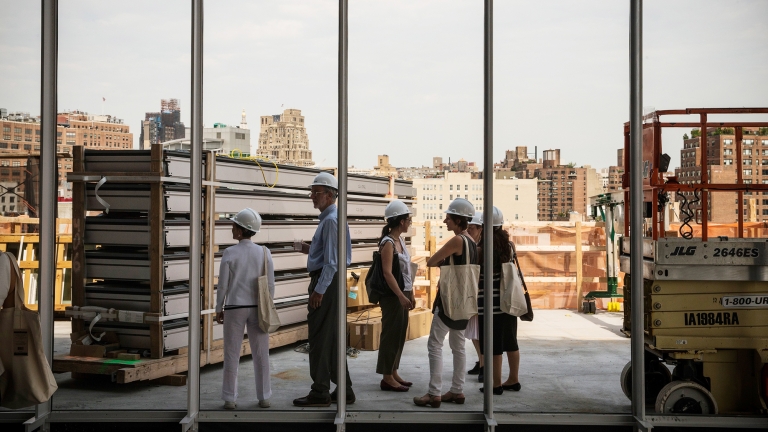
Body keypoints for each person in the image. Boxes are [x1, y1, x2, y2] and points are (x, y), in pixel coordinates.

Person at [293, 172, 354, 407]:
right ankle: (344, 389)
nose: (312, 197)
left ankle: (320, 392)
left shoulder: (330, 220)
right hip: (331, 282)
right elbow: (331, 254)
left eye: (316, 193)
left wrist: (319, 290)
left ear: (329, 195)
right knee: (333, 338)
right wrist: (312, 249)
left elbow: (332, 262)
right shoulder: (333, 218)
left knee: (319, 338)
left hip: (326, 283)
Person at [414, 198, 478, 408]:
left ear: (458, 220)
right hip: (465, 302)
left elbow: (431, 261)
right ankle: (457, 391)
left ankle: (434, 393)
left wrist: (443, 262)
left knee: (435, 343)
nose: (445, 221)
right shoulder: (472, 243)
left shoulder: (457, 240)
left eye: (449, 218)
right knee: (458, 347)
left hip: (449, 301)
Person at [216, 208, 274, 409]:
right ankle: (264, 396)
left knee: (232, 353)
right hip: (258, 307)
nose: (232, 229)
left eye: (234, 226)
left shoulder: (230, 253)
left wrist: (218, 307)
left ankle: (230, 398)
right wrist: (268, 306)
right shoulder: (265, 252)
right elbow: (271, 285)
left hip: (234, 307)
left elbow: (223, 285)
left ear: (240, 231)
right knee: (261, 353)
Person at [476, 206, 521, 395]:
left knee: (492, 345)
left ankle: (495, 385)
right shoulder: (509, 246)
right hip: (508, 301)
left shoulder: (482, 248)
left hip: (489, 305)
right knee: (511, 341)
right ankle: (513, 379)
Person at [376, 200, 415, 392]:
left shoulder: (401, 241)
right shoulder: (388, 243)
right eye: (408, 219)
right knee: (390, 335)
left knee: (400, 335)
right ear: (401, 221)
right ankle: (386, 376)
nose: (410, 223)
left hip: (403, 292)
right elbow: (387, 273)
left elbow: (407, 270)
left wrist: (411, 292)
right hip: (393, 296)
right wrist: (400, 295)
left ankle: (393, 371)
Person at [465, 212, 484, 382]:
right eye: (468, 227)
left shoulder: (479, 247)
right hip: (473, 293)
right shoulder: (473, 244)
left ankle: (484, 364)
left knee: (477, 331)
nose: (469, 230)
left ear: (480, 229)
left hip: (478, 294)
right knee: (473, 331)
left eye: (472, 228)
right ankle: (481, 360)